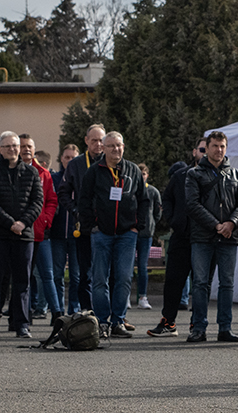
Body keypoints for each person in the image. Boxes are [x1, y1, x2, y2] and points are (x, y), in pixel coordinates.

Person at [79, 129, 156, 338]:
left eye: (119, 145)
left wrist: (136, 226)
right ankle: (102, 322)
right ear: (103, 148)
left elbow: (144, 200)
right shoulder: (94, 172)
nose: (116, 149)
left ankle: (118, 322)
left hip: (126, 234)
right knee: (99, 279)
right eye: (111, 145)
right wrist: (92, 226)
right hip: (101, 234)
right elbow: (84, 200)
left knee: (123, 278)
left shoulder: (132, 171)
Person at [0, 129, 42, 339]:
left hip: (24, 235)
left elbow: (37, 202)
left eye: (17, 146)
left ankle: (21, 324)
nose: (13, 149)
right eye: (8, 146)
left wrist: (23, 223)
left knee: (23, 281)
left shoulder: (32, 173)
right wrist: (10, 223)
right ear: (1, 149)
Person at [185, 132, 238, 342]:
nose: (218, 150)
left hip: (229, 236)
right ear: (207, 148)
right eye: (215, 146)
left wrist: (231, 223)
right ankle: (199, 328)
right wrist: (216, 224)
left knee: (227, 284)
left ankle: (225, 328)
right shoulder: (194, 174)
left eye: (222, 146)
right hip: (202, 236)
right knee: (201, 283)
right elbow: (192, 205)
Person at [153, 139, 202, 335]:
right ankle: (168, 322)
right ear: (194, 152)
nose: (206, 152)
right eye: (202, 149)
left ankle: (196, 324)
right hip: (181, 236)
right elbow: (167, 198)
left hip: (204, 238)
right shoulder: (181, 175)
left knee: (201, 283)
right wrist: (174, 220)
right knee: (173, 280)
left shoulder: (218, 176)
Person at [59, 125, 105, 313]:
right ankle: (87, 311)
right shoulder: (76, 164)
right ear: (86, 141)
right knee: (84, 273)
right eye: (94, 140)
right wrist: (75, 210)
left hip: (106, 226)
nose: (98, 144)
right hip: (83, 226)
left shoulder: (112, 162)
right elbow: (63, 193)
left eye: (101, 140)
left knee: (105, 272)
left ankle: (106, 313)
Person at [21, 135, 62, 326]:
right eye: (22, 146)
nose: (26, 150)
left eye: (29, 146)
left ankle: (56, 312)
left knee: (48, 275)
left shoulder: (44, 174)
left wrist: (46, 220)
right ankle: (23, 314)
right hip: (20, 233)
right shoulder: (12, 171)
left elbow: (52, 200)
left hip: (41, 233)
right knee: (23, 277)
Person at [46, 145, 76, 318]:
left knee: (76, 277)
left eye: (73, 157)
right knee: (57, 274)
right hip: (57, 235)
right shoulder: (54, 179)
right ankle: (58, 312)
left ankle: (74, 311)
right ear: (61, 159)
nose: (70, 161)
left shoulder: (81, 177)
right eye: (67, 157)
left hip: (76, 234)